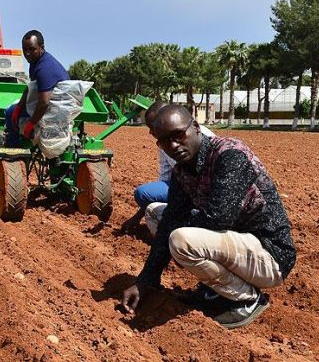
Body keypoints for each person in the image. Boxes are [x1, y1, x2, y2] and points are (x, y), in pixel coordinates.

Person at [121, 105, 296, 329]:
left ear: (195, 127)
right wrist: (146, 279)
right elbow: (172, 217)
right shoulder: (182, 170)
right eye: (165, 141)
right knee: (157, 215)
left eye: (178, 135)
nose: (173, 146)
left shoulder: (229, 154)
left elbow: (218, 218)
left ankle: (247, 299)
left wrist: (175, 226)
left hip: (269, 256)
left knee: (180, 239)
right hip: (239, 249)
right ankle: (213, 290)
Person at [133, 101, 215, 235]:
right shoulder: (164, 143)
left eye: (152, 125)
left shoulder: (203, 137)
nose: (150, 131)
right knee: (143, 194)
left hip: (207, 190)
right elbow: (167, 179)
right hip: (185, 186)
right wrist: (137, 216)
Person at [4, 30, 70, 147]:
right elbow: (30, 87)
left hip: (54, 108)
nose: (27, 53)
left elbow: (44, 103)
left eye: (32, 49)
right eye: (25, 49)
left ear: (41, 48)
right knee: (14, 110)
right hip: (54, 103)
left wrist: (31, 124)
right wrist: (19, 107)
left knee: (9, 112)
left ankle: (14, 147)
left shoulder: (44, 69)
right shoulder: (35, 62)